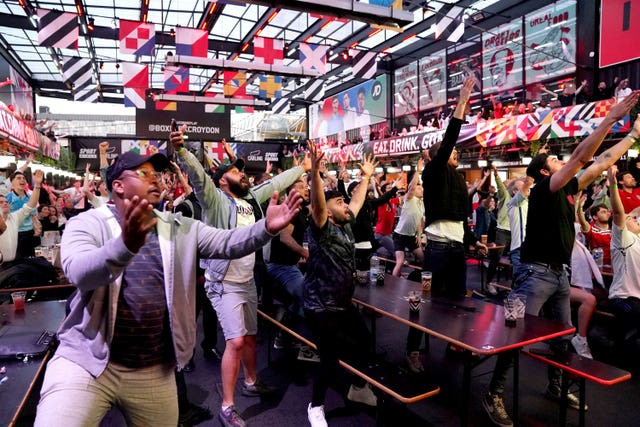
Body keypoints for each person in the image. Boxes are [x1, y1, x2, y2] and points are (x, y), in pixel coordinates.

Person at [33, 151, 302, 427]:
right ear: (118, 185)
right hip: (88, 362)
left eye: (157, 174)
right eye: (144, 173)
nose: (156, 180)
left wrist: (266, 228)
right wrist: (124, 246)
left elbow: (227, 242)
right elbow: (79, 271)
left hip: (153, 369)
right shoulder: (88, 223)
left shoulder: (179, 227)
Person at [483, 91, 640, 427]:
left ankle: (556, 385)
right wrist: (610, 118)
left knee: (562, 336)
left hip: (559, 275)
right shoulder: (543, 190)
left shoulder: (567, 191)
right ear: (542, 172)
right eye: (554, 161)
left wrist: (632, 136)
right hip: (536, 273)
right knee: (517, 336)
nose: (560, 160)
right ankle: (493, 392)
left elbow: (601, 161)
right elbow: (584, 157)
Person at [171, 126, 310, 427]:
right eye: (235, 170)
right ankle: (227, 406)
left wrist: (302, 167)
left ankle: (251, 380)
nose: (242, 173)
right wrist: (183, 152)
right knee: (234, 342)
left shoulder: (253, 200)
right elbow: (198, 179)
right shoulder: (215, 199)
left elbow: (276, 181)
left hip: (247, 281)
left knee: (250, 336)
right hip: (223, 283)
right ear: (223, 179)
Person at [304, 142, 379, 427]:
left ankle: (358, 389)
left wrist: (367, 177)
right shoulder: (320, 227)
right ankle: (316, 406)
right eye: (340, 203)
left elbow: (357, 201)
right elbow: (320, 205)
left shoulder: (346, 223)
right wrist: (315, 175)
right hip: (319, 305)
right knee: (329, 358)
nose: (345, 205)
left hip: (342, 304)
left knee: (364, 342)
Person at [422, 76, 488, 300]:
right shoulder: (433, 171)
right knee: (433, 302)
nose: (455, 152)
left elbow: (460, 219)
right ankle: (417, 335)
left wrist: (473, 241)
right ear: (437, 157)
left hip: (458, 248)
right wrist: (462, 103)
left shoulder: (459, 179)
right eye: (451, 151)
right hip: (438, 249)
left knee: (458, 300)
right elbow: (449, 139)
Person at [607, 164, 640, 332]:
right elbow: (619, 213)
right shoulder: (623, 238)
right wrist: (612, 184)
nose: (633, 219)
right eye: (630, 219)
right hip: (623, 298)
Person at [0, 170, 42, 265]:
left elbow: (32, 211)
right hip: (14, 234)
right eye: (18, 178)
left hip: (29, 233)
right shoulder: (6, 198)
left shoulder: (30, 197)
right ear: (12, 182)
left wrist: (37, 227)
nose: (22, 180)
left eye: (24, 178)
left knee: (30, 261)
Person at [392, 158, 424, 278]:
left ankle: (417, 279)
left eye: (421, 187)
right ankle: (393, 284)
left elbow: (419, 220)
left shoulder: (422, 203)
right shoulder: (409, 199)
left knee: (423, 259)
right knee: (400, 262)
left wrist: (419, 235)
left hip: (411, 237)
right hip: (399, 236)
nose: (421, 189)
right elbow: (411, 187)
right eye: (419, 187)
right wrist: (418, 171)